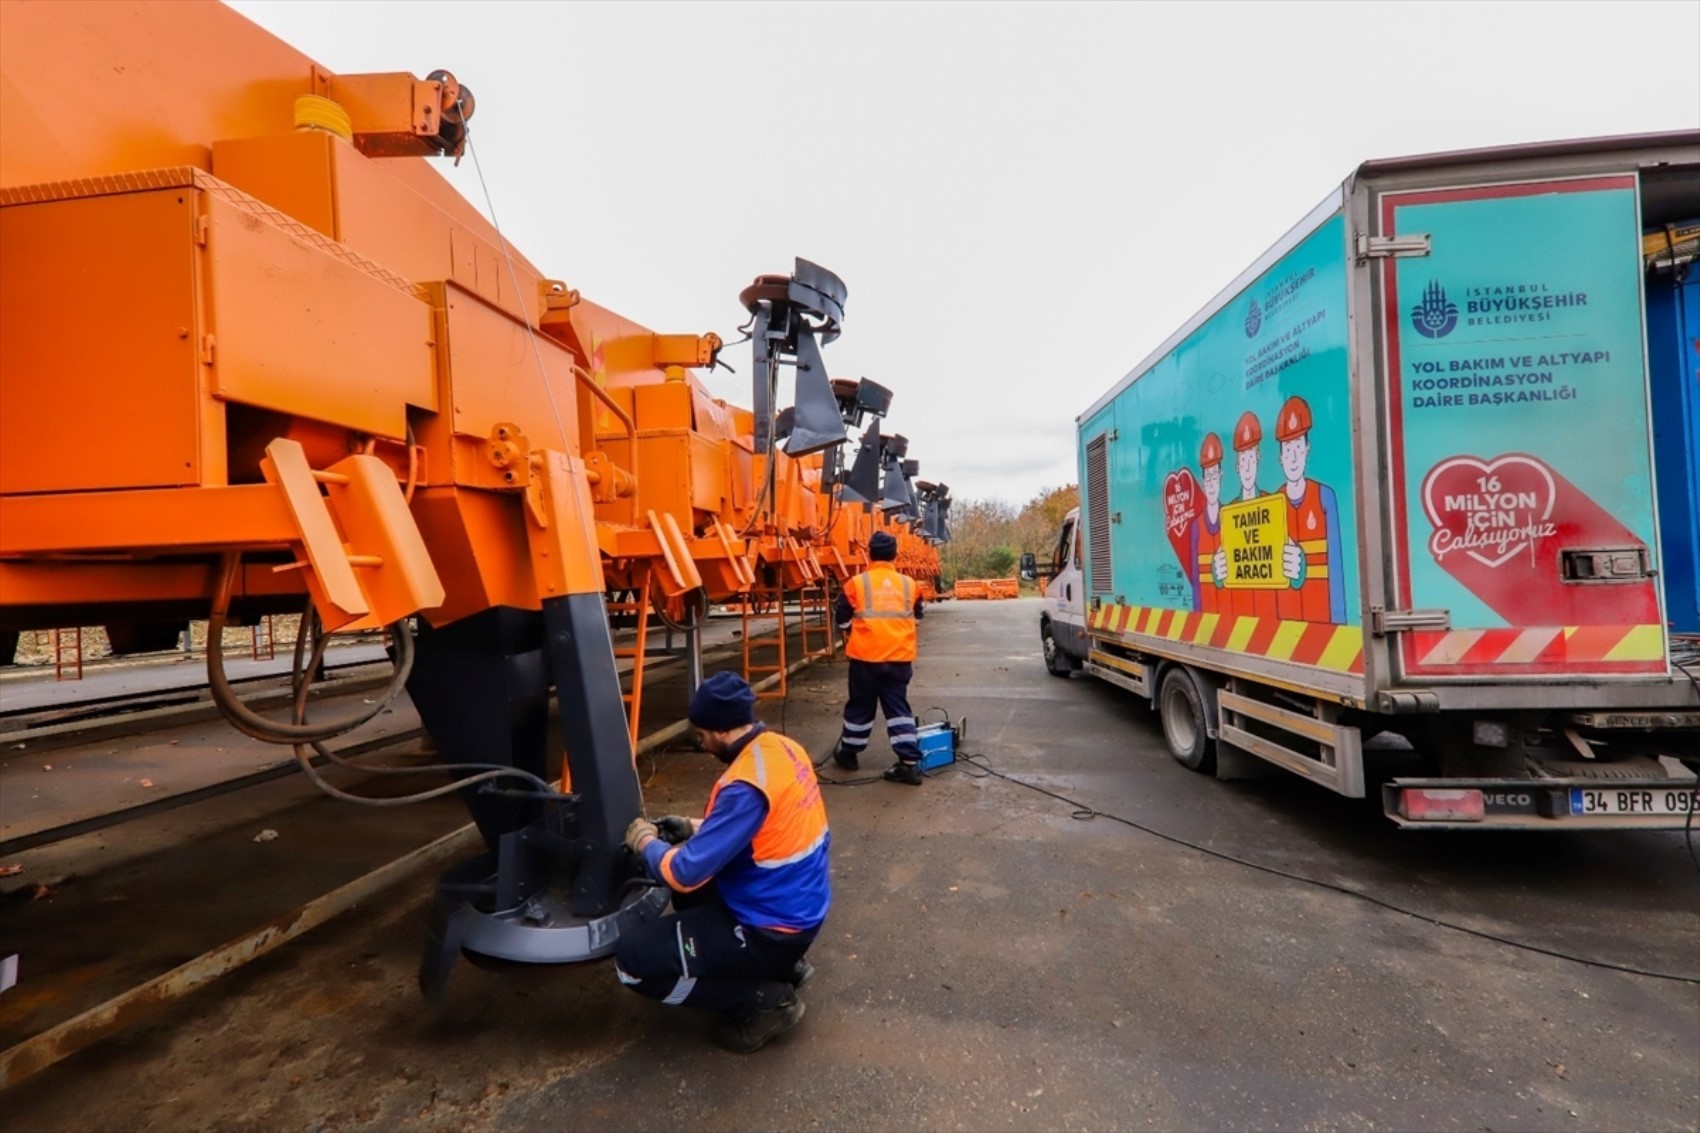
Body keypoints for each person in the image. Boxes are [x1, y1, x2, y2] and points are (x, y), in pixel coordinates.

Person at [615, 671, 830, 1053]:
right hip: (797, 910)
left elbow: (683, 873)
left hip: (769, 929)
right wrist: (690, 827)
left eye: (702, 735)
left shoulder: (745, 786)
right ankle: (784, 965)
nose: (702, 744)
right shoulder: (781, 749)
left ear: (720, 731)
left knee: (631, 963)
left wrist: (645, 843)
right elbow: (759, 827)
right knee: (694, 898)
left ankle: (762, 999)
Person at [831, 530, 926, 785]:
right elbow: (917, 616)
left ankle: (849, 755)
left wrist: (855, 629)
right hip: (898, 660)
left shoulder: (856, 584)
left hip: (865, 660)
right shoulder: (910, 585)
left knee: (860, 707)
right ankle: (909, 764)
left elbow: (841, 619)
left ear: (869, 554)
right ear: (894, 555)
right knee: (898, 708)